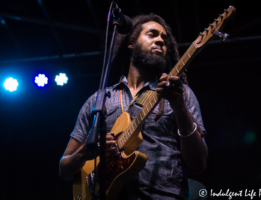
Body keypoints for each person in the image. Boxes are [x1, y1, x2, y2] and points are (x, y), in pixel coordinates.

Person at [59, 13, 207, 200]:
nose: (161, 40)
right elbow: (64, 169)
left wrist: (179, 107)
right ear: (130, 43)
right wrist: (85, 152)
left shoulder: (180, 94)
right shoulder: (99, 100)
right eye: (152, 34)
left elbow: (198, 163)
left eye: (164, 38)